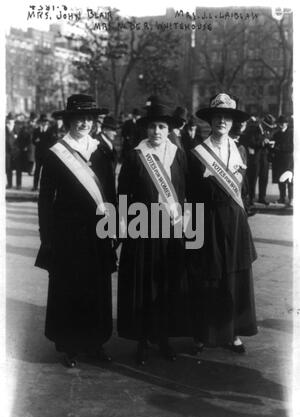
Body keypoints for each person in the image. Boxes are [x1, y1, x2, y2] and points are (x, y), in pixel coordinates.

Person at [35, 94, 117, 368]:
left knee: (96, 288)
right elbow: (45, 199)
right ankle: (69, 345)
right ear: (69, 121)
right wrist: (47, 238)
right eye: (78, 118)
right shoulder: (55, 153)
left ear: (95, 122)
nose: (84, 123)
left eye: (89, 118)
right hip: (67, 234)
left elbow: (111, 194)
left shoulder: (103, 151)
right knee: (70, 288)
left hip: (97, 233)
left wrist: (113, 227)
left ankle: (95, 342)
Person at [117, 100, 190, 365]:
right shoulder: (135, 155)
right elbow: (123, 192)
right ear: (145, 129)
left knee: (166, 283)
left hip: (171, 230)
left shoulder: (178, 153)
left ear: (169, 129)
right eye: (152, 127)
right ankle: (141, 339)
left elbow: (184, 191)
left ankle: (163, 337)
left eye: (161, 127)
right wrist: (123, 224)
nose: (156, 132)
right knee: (144, 284)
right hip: (142, 230)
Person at [188, 93, 257, 354]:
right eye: (217, 117)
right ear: (210, 120)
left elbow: (245, 189)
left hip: (235, 221)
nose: (222, 122)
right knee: (209, 276)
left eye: (226, 118)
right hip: (208, 219)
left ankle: (234, 332)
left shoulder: (238, 150)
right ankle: (205, 333)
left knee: (236, 276)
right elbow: (191, 193)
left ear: (232, 123)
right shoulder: (197, 153)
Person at [244, 113, 276, 205]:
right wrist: (262, 143)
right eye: (267, 126)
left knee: (264, 178)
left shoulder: (268, 131)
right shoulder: (253, 129)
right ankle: (251, 198)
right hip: (255, 158)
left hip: (264, 158)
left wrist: (270, 145)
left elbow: (268, 140)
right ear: (263, 124)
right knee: (253, 178)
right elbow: (250, 142)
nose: (269, 128)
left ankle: (262, 197)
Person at [272, 115, 293, 207]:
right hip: (279, 160)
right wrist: (272, 147)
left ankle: (291, 198)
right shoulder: (276, 134)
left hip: (288, 160)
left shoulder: (292, 133)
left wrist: (278, 147)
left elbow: (292, 147)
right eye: (280, 123)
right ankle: (282, 198)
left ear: (287, 124)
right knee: (281, 179)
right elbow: (274, 147)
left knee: (289, 180)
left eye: (283, 123)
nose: (281, 125)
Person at [32, 114, 55, 191]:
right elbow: (33, 141)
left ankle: (44, 188)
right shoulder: (36, 130)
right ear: (40, 122)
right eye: (43, 121)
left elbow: (52, 142)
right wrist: (37, 141)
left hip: (47, 155)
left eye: (46, 121)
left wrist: (40, 141)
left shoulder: (51, 131)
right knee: (37, 171)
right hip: (38, 154)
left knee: (46, 172)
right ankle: (35, 186)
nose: (44, 123)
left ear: (47, 122)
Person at [5, 112, 21, 189]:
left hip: (16, 152)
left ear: (14, 120)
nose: (11, 121)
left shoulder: (18, 128)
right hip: (7, 152)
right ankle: (9, 184)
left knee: (18, 169)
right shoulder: (4, 128)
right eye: (9, 119)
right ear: (7, 120)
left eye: (12, 119)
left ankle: (18, 184)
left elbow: (22, 139)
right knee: (9, 168)